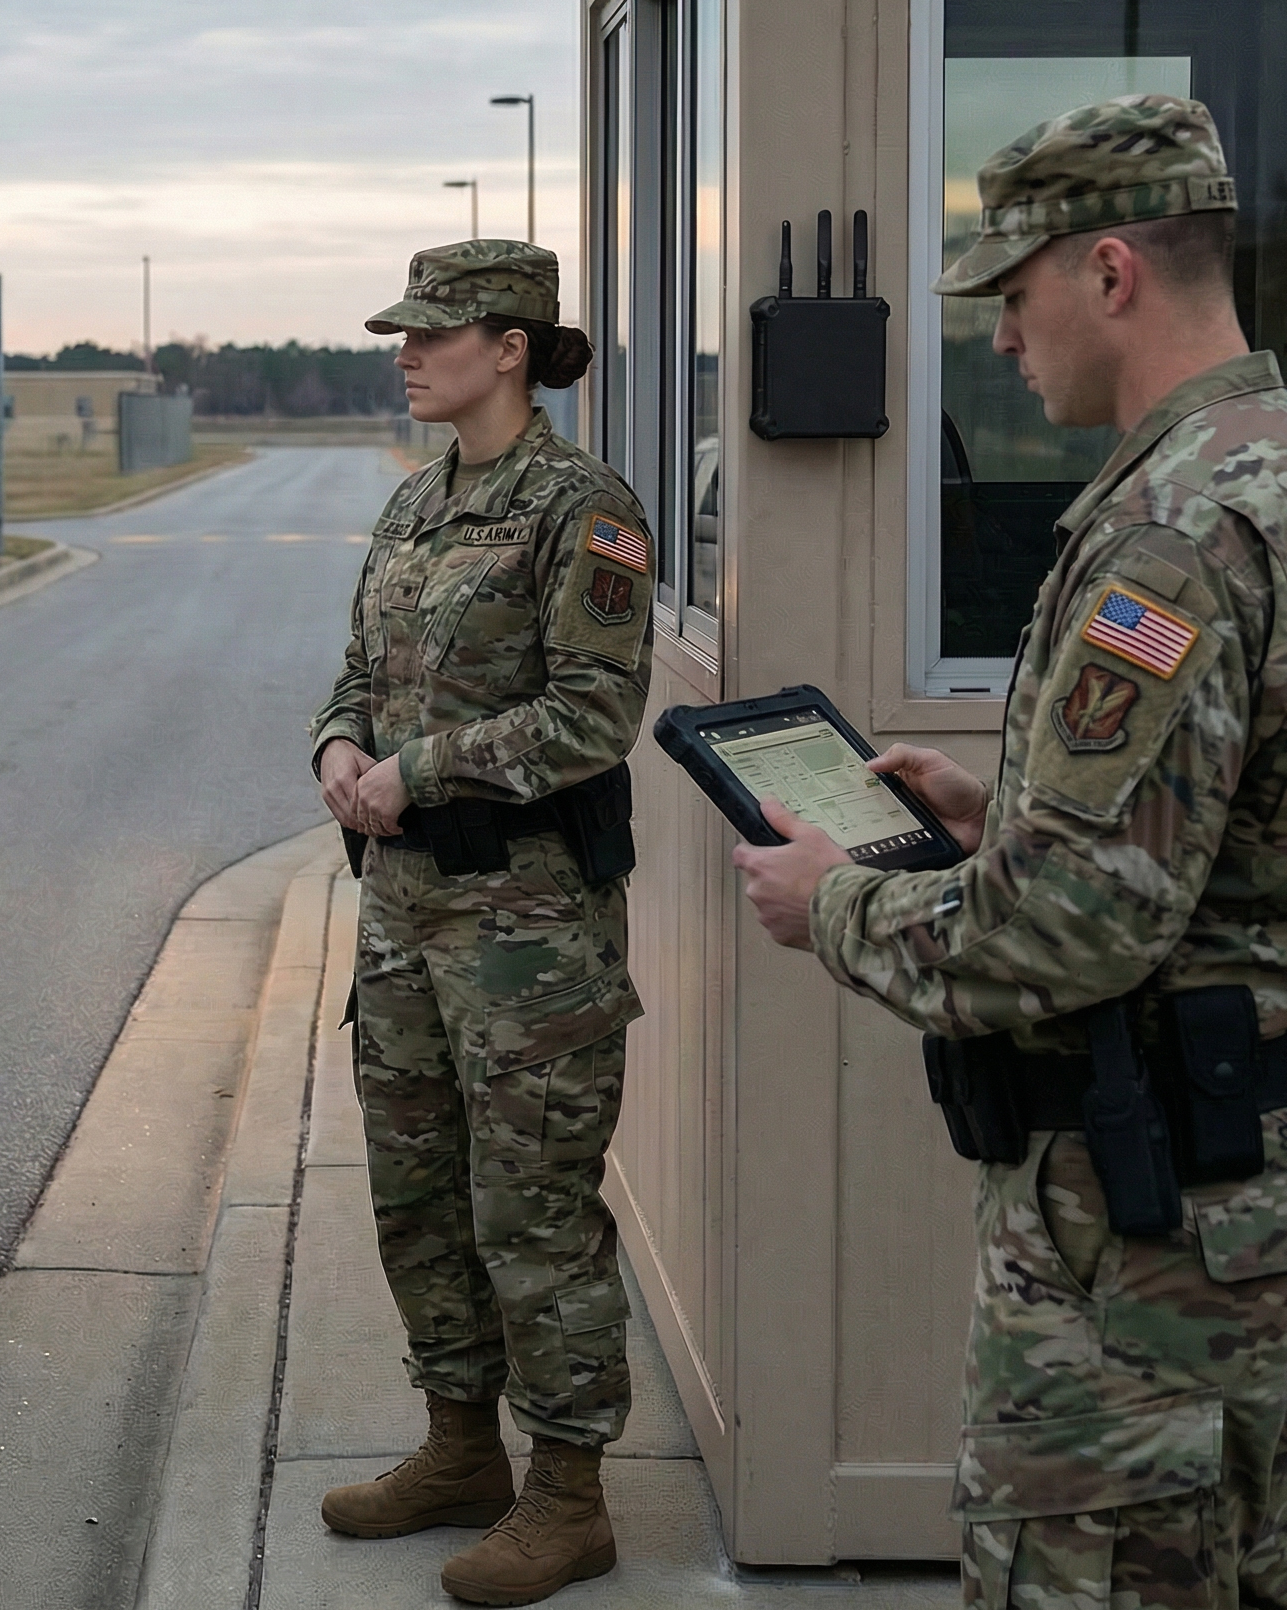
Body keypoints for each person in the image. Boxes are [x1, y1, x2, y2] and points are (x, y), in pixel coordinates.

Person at [733, 95, 1287, 1608]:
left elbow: (1071, 933)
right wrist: (1001, 812)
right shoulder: (1263, 469)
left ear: (1109, 272)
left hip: (1161, 1254)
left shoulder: (1174, 530)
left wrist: (834, 902)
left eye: (1014, 293)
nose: (999, 339)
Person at [310, 238, 654, 1607]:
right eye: (404, 333)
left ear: (509, 347)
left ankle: (568, 1495)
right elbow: (355, 670)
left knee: (534, 1208)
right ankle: (460, 1450)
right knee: (418, 1192)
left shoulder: (584, 507)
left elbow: (594, 712)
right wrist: (338, 749)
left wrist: (423, 771)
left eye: (431, 334)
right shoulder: (416, 505)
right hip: (400, 911)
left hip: (528, 928)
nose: (406, 352)